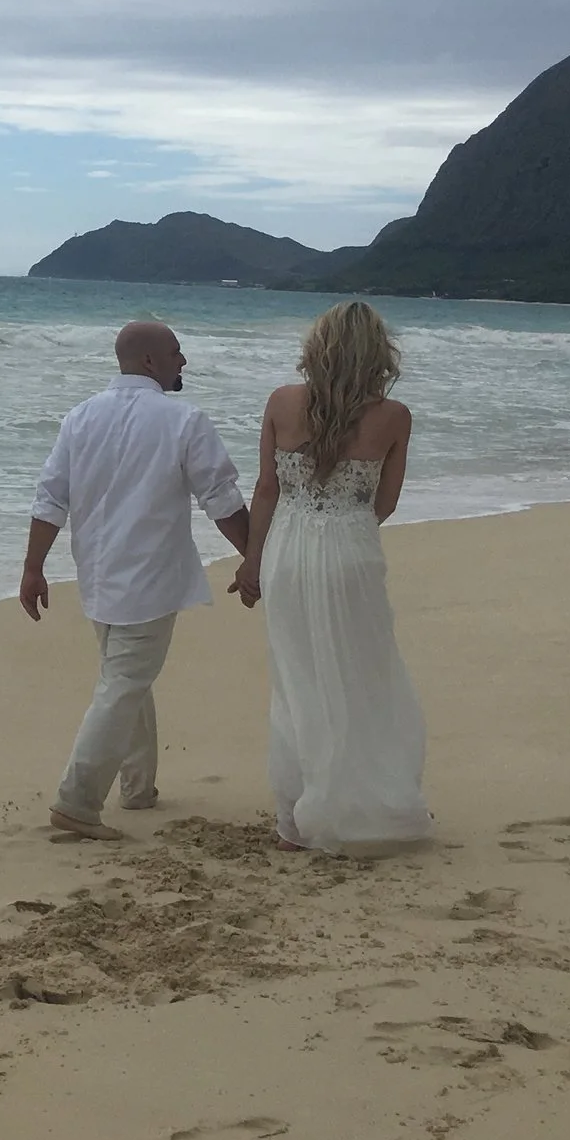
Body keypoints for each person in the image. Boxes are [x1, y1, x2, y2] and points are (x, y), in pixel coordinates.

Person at [21, 321, 252, 841]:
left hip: (97, 573)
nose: (183, 361)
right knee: (123, 684)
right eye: (176, 353)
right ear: (150, 363)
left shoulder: (80, 417)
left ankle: (138, 787)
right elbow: (222, 500)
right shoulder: (184, 419)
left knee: (126, 678)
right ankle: (77, 801)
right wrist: (257, 556)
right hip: (148, 577)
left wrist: (33, 567)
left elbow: (50, 499)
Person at [231, 301, 432, 855]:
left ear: (315, 349)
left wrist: (252, 561)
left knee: (297, 680)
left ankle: (295, 821)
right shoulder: (394, 417)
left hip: (288, 551)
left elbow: (267, 491)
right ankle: (364, 802)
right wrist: (342, 523)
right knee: (363, 676)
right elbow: (384, 504)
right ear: (378, 355)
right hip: (353, 551)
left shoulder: (281, 402)